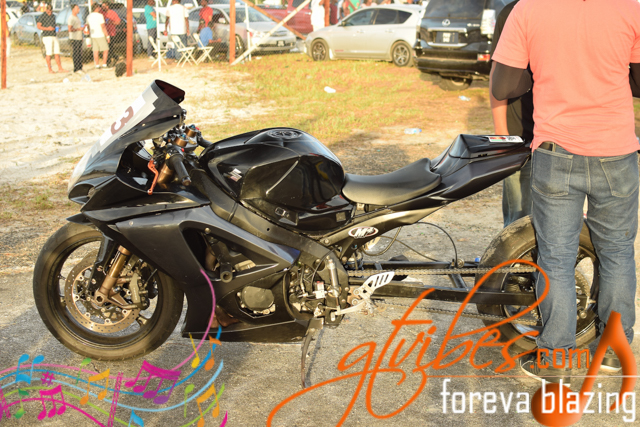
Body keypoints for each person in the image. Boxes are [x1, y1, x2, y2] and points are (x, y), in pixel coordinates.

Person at [491, 0, 640, 384]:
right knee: (617, 252)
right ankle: (614, 352)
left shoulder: (528, 9)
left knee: (555, 259)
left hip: (556, 153)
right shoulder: (630, 8)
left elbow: (503, 86)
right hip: (615, 152)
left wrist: (540, 70)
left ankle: (556, 360)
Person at [489, 0, 533, 227]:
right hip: (519, 135)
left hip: (557, 136)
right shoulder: (512, 12)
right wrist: (502, 132)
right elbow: (496, 73)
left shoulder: (567, 11)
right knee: (518, 220)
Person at [36, 4, 67, 73]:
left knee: (57, 52)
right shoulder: (42, 16)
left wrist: (57, 28)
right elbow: (38, 26)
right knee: (49, 53)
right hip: (47, 36)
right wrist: (47, 28)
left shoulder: (53, 16)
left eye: (51, 11)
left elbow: (54, 24)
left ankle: (60, 68)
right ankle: (50, 69)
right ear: (46, 10)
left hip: (54, 35)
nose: (50, 13)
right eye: (48, 11)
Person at [87, 2, 109, 68]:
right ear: (96, 8)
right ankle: (104, 64)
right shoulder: (100, 16)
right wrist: (107, 35)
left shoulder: (89, 16)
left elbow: (88, 26)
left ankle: (97, 64)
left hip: (93, 35)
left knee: (95, 50)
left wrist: (90, 32)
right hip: (100, 35)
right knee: (105, 49)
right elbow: (103, 26)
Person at [68, 3, 84, 73]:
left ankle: (80, 67)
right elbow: (70, 29)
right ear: (73, 9)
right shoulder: (71, 18)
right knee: (76, 53)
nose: (78, 10)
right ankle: (76, 68)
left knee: (79, 53)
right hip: (74, 38)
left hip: (79, 37)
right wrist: (79, 29)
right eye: (77, 8)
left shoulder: (77, 17)